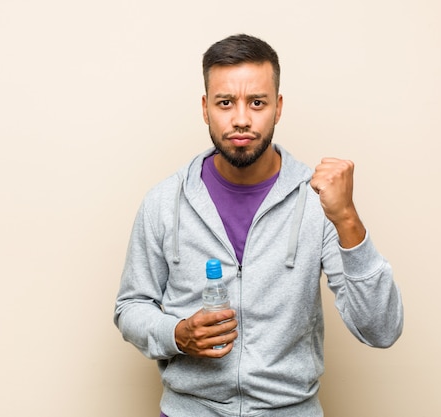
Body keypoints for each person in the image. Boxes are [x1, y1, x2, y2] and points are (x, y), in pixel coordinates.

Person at [114, 34, 404, 417]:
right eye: (225, 103)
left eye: (257, 102)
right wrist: (177, 334)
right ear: (205, 108)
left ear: (278, 107)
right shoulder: (165, 201)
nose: (241, 119)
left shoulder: (319, 203)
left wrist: (347, 218)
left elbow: (381, 330)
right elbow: (131, 306)